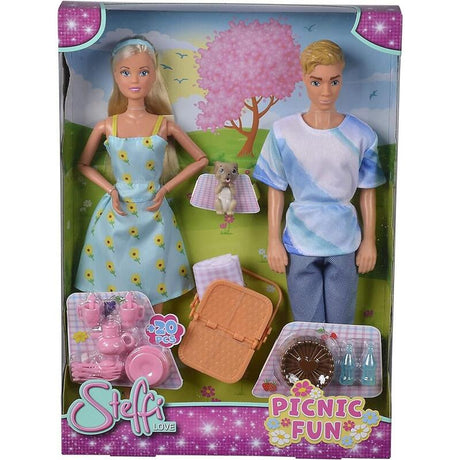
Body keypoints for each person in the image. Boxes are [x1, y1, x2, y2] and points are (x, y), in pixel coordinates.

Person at [253, 40, 386, 324]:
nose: (326, 91)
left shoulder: (361, 134)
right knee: (306, 324)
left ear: (341, 79)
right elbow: (275, 188)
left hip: (344, 239)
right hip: (300, 238)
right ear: (304, 78)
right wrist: (273, 240)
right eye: (316, 81)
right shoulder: (283, 132)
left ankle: (337, 355)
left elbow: (368, 192)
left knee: (341, 322)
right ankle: (310, 355)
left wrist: (369, 241)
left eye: (334, 81)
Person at [75, 36, 208, 312]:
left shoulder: (163, 126)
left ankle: (157, 333)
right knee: (113, 273)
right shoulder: (106, 126)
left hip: (153, 211)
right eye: (126, 72)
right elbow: (83, 165)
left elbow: (201, 160)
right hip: (117, 211)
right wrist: (111, 190)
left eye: (143, 72)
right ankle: (115, 330)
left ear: (154, 76)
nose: (135, 80)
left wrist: (165, 189)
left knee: (156, 275)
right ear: (116, 76)